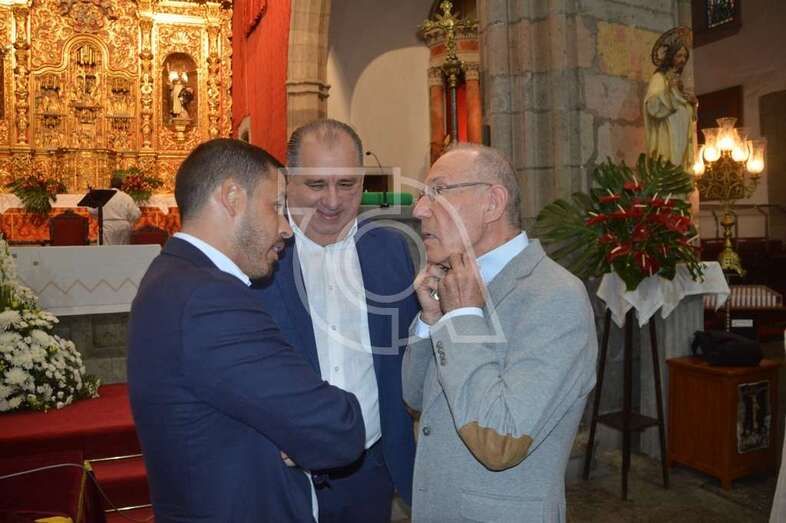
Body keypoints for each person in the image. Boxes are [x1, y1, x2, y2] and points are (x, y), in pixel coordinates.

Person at [127, 138, 365, 522]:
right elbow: (339, 428)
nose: (286, 228)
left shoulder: (170, 276)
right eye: (275, 207)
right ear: (233, 197)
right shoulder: (211, 298)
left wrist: (293, 430)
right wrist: (303, 430)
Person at [402, 143, 598, 522]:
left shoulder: (556, 296)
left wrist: (461, 319)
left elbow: (500, 440)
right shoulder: (453, 284)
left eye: (436, 193)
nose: (419, 210)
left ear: (492, 203)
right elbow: (416, 399)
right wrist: (430, 321)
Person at [254, 119, 418, 522]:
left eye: (347, 184)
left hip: (371, 469)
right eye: (316, 185)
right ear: (287, 182)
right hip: (279, 475)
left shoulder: (390, 249)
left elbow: (408, 355)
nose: (332, 200)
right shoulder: (255, 257)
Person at [644, 27, 697, 170]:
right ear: (670, 56)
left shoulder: (678, 81)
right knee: (669, 169)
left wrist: (692, 104)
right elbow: (652, 106)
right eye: (679, 56)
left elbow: (683, 109)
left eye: (685, 56)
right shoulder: (659, 78)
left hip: (680, 139)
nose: (682, 60)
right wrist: (668, 91)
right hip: (667, 138)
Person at [88, 176, 141, 245]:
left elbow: (92, 210)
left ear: (110, 185)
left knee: (106, 252)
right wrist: (129, 222)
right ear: (121, 186)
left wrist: (100, 218)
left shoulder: (104, 196)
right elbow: (136, 214)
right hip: (123, 227)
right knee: (123, 252)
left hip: (107, 227)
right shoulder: (126, 197)